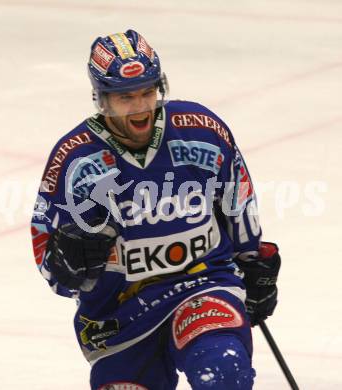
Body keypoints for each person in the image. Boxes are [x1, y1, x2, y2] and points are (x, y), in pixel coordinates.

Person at [31, 30, 281, 390]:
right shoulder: (76, 161)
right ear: (101, 100)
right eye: (125, 97)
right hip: (121, 314)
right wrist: (65, 263)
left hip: (203, 283)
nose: (141, 106)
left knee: (223, 373)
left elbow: (237, 199)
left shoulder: (201, 131)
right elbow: (48, 252)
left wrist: (253, 260)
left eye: (148, 91)